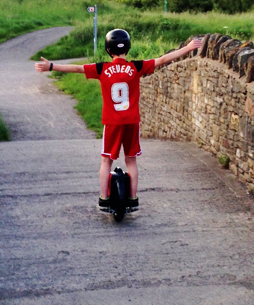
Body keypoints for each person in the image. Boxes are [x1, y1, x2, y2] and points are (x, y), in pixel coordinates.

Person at [34, 29, 202, 211]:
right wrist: (189, 47)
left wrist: (51, 66)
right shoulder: (135, 67)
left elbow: (76, 68)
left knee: (106, 160)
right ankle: (132, 199)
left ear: (108, 50)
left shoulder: (102, 69)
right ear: (127, 48)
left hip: (112, 122)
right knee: (131, 161)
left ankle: (104, 199)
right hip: (131, 121)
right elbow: (162, 60)